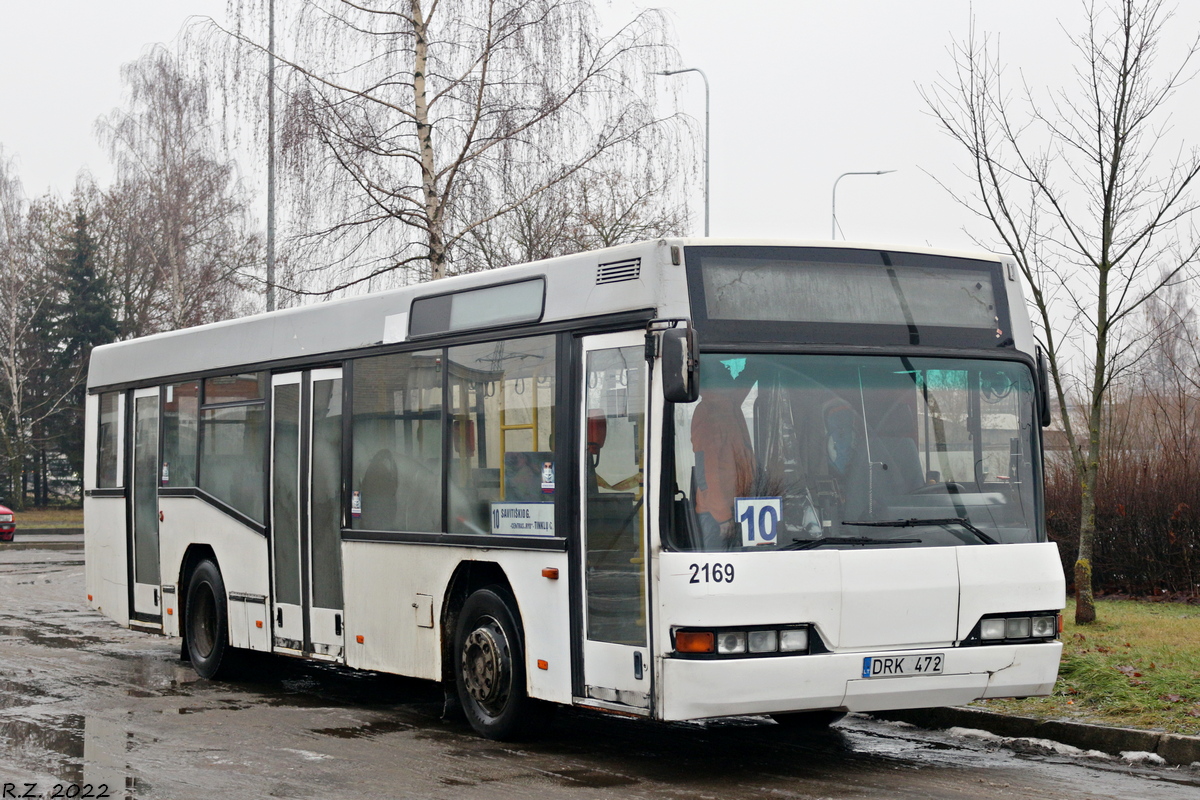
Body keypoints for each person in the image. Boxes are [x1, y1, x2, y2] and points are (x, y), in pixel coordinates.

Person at [690, 361, 756, 550]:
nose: (732, 378)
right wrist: (722, 517)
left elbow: (748, 379)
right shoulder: (708, 412)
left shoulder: (729, 404)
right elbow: (708, 471)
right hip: (716, 515)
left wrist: (759, 359)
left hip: (736, 507)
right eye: (726, 375)